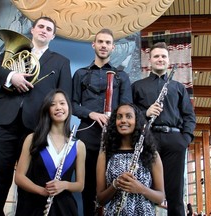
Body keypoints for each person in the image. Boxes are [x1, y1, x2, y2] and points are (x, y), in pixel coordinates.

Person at [0, 16, 72, 216]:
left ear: (53, 36)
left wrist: (59, 134)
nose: (44, 30)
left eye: (49, 29)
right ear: (32, 30)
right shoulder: (16, 51)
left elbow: (64, 98)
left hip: (36, 128)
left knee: (30, 183)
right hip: (3, 122)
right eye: (41, 27)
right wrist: (12, 76)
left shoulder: (61, 62)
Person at [72, 28, 133, 215]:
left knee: (114, 182)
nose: (104, 45)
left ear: (113, 47)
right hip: (87, 134)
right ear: (94, 45)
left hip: (113, 135)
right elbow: (73, 104)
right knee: (88, 185)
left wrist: (114, 119)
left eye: (107, 42)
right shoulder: (81, 74)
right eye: (100, 42)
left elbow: (127, 106)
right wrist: (92, 114)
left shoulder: (121, 76)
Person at [131, 42, 196, 216]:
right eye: (156, 56)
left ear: (168, 60)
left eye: (163, 56)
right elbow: (129, 115)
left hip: (175, 141)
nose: (160, 59)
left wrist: (185, 139)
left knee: (175, 192)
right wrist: (146, 112)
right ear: (150, 60)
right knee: (145, 188)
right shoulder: (137, 86)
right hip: (148, 140)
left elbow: (189, 116)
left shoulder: (179, 87)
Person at [14, 89, 86, 215]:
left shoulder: (79, 145)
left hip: (65, 209)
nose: (58, 107)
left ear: (69, 108)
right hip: (34, 207)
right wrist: (42, 191)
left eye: (62, 103)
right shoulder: (33, 138)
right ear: (47, 109)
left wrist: (64, 185)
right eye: (53, 104)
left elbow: (80, 185)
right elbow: (19, 177)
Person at [96, 103, 165, 215]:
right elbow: (100, 199)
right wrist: (115, 184)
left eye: (128, 116)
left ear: (137, 122)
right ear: (115, 122)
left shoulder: (151, 153)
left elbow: (160, 197)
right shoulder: (105, 153)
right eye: (119, 117)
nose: (123, 120)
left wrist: (140, 188)